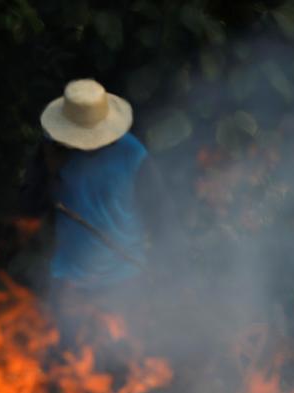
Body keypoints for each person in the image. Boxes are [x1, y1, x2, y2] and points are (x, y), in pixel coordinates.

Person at [16, 79, 178, 355]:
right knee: (69, 366)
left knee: (120, 367)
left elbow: (163, 220)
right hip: (70, 283)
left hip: (124, 284)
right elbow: (29, 207)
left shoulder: (134, 156)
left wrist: (167, 272)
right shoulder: (55, 151)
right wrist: (48, 170)